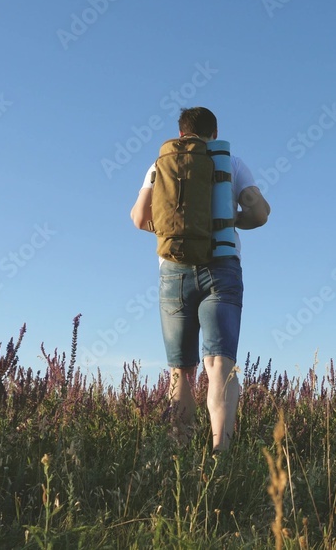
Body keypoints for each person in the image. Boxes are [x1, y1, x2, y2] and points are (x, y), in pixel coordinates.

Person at [130, 107, 270, 452]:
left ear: (180, 135)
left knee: (182, 372)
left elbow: (138, 218)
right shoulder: (229, 163)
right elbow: (260, 213)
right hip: (222, 268)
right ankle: (220, 453)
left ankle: (180, 455)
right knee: (219, 364)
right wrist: (224, 223)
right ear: (214, 132)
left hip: (172, 272)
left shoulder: (159, 165)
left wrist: (173, 232)